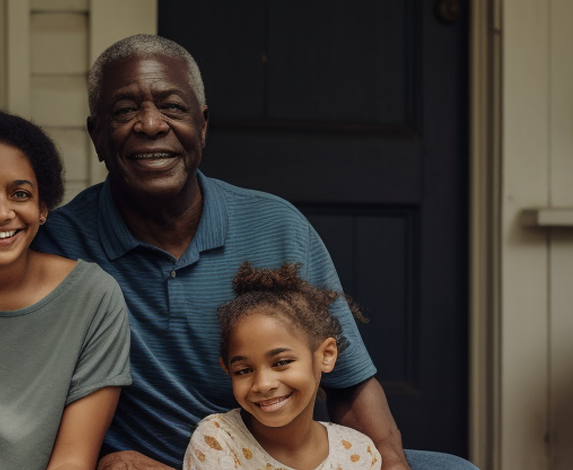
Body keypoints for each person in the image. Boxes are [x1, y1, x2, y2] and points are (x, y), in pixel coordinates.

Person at [31, 34, 478, 470]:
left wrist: (392, 464)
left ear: (202, 125)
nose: (150, 125)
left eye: (172, 107)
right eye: (125, 110)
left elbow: (350, 380)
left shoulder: (277, 226)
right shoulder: (60, 244)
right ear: (96, 135)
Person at [0, 109, 132, 470]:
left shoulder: (93, 298)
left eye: (20, 194)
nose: (2, 213)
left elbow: (72, 460)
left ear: (43, 207)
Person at [184, 262, 380, 470]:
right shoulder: (218, 439)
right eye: (244, 370)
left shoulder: (358, 452)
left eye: (282, 362)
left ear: (326, 355)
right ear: (228, 370)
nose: (263, 384)